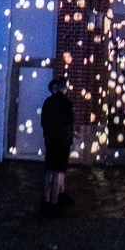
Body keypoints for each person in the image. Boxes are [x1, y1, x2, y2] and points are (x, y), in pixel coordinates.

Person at [40, 76, 74, 213]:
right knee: (58, 172)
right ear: (65, 88)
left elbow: (43, 121)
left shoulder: (48, 102)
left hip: (50, 140)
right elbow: (69, 121)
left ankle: (46, 199)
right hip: (62, 141)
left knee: (49, 170)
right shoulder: (66, 103)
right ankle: (54, 202)